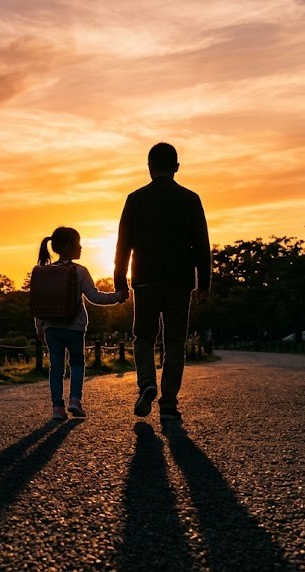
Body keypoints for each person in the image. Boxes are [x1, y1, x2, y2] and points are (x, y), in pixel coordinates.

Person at [114, 142, 211, 421]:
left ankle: (147, 384)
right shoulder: (191, 199)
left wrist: (120, 280)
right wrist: (203, 282)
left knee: (143, 337)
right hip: (180, 281)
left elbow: (123, 244)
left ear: (149, 167)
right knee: (175, 341)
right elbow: (201, 245)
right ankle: (168, 402)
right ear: (177, 167)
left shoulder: (135, 199)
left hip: (144, 279)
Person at [35, 227, 127, 421]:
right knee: (77, 363)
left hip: (51, 327)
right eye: (78, 243)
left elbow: (39, 301)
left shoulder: (44, 271)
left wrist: (39, 326)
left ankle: (57, 408)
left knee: (56, 368)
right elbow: (95, 297)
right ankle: (75, 400)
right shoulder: (80, 271)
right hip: (74, 327)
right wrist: (117, 297)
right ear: (68, 246)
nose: (81, 247)